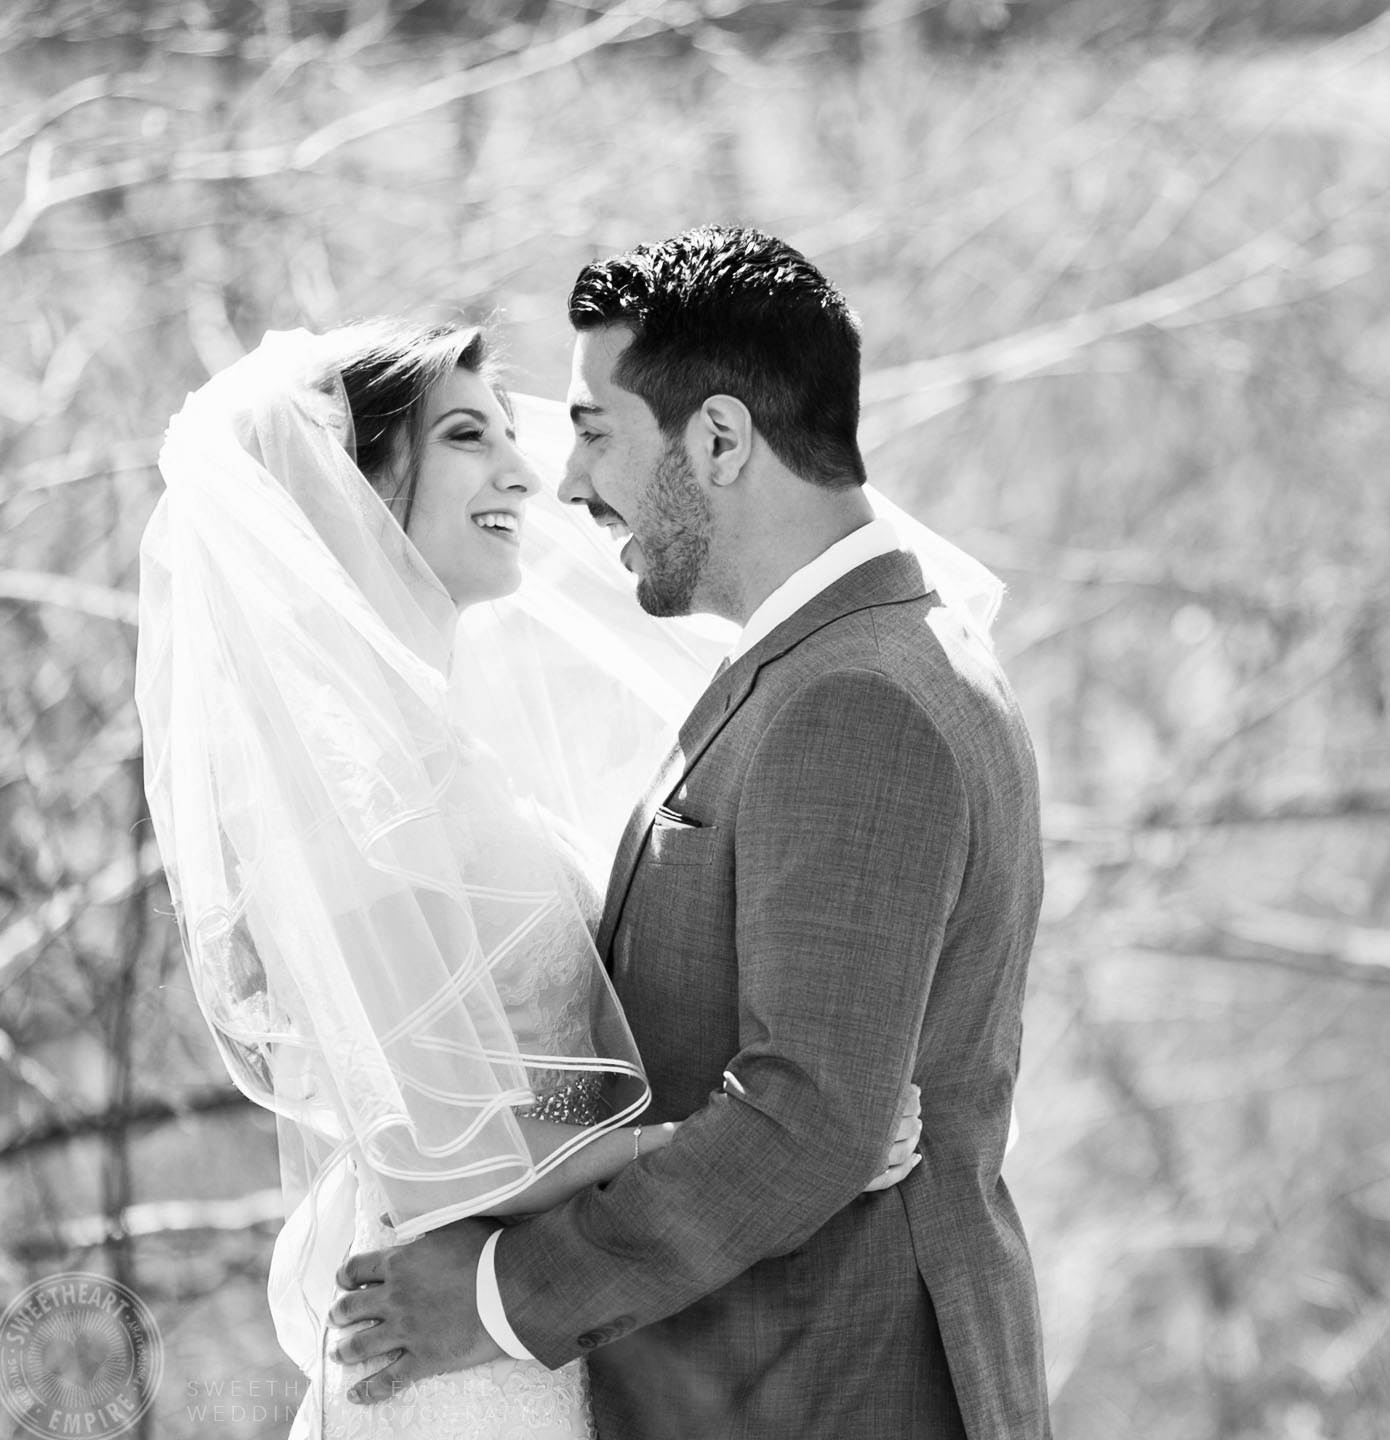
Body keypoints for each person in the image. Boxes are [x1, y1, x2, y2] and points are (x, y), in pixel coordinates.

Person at [136, 320, 923, 1440]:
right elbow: (428, 1151)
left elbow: (528, 1078)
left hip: (541, 1346)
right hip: (462, 1364)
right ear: (348, 492)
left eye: (512, 431)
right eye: (468, 435)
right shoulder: (359, 799)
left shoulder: (443, 755)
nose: (524, 468)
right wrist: (771, 1150)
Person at [331, 227, 1053, 1439]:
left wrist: (501, 1301)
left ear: (718, 440)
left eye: (595, 431)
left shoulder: (856, 698)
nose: (564, 484)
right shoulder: (836, 662)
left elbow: (809, 1120)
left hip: (835, 1388)